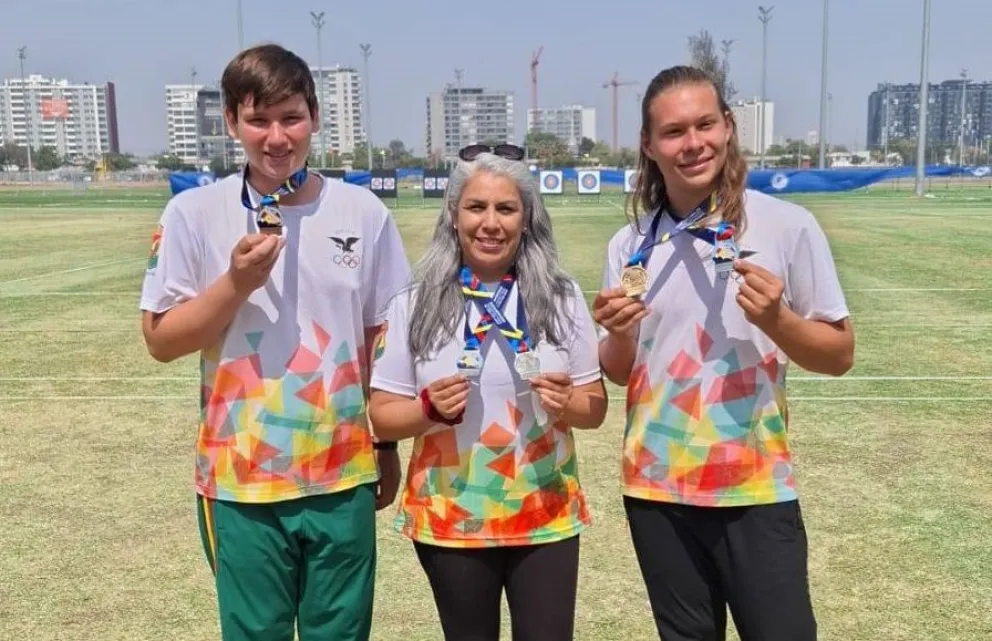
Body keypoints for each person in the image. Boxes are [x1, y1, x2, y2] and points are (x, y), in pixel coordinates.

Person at [139, 44, 410, 641]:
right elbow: (160, 339)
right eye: (258, 120)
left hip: (343, 477)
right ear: (232, 122)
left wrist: (385, 445)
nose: (277, 137)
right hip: (241, 480)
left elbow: (382, 342)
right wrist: (235, 283)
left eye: (290, 117)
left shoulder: (363, 213)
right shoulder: (194, 213)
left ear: (314, 115)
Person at [593, 65, 855, 641]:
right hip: (657, 488)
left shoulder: (786, 225)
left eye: (705, 125)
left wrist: (777, 319)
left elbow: (838, 355)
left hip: (754, 485)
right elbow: (619, 372)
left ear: (729, 126)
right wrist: (616, 334)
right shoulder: (631, 244)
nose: (693, 144)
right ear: (648, 143)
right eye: (673, 132)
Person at [368, 144, 607, 641]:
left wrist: (568, 404)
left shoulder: (561, 298)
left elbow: (594, 407)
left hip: (545, 513)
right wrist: (427, 410)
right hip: (453, 515)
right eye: (476, 207)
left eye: (506, 208)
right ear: (453, 215)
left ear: (527, 218)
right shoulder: (414, 303)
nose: (491, 223)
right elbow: (383, 416)